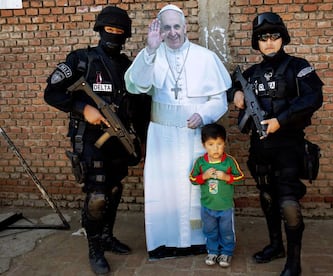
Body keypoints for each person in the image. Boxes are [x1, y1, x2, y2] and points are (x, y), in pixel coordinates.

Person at [44, 6, 150, 275]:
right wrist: (83, 109)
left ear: (125, 35)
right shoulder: (81, 60)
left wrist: (144, 141)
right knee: (98, 195)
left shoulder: (128, 67)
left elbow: (139, 107)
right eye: (109, 30)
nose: (113, 35)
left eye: (119, 32)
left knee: (114, 190)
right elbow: (51, 94)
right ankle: (95, 249)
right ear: (99, 30)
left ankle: (106, 236)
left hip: (119, 140)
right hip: (90, 140)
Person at [124, 4, 231, 259]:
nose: (172, 33)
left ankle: (202, 242)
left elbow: (220, 100)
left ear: (185, 27)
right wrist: (149, 50)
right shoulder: (152, 54)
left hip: (196, 137)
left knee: (199, 187)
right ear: (159, 30)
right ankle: (166, 242)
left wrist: (203, 115)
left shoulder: (204, 57)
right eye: (166, 27)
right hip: (163, 136)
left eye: (176, 26)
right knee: (164, 189)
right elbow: (136, 86)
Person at [227, 12, 323, 276]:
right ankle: (275, 245)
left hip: (289, 147)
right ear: (257, 43)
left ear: (283, 38)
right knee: (268, 197)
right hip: (260, 149)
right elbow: (229, 86)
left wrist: (281, 120)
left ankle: (294, 262)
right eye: (263, 38)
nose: (269, 42)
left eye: (274, 36)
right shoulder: (251, 73)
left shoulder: (298, 66)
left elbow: (313, 98)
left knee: (289, 204)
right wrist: (235, 93)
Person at [189, 123, 244, 268]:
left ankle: (227, 252)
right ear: (204, 145)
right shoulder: (201, 163)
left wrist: (226, 177)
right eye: (211, 144)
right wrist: (204, 176)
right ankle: (213, 251)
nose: (215, 148)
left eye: (219, 144)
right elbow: (193, 179)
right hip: (207, 206)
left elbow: (240, 178)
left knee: (226, 231)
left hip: (225, 207)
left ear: (224, 143)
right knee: (209, 230)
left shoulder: (229, 162)